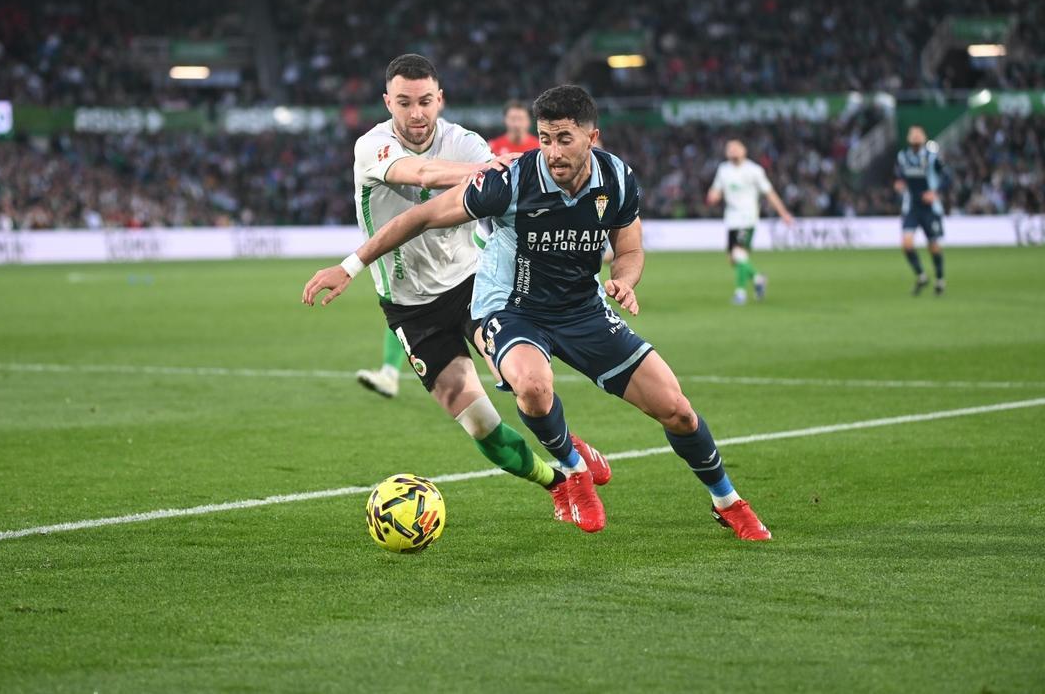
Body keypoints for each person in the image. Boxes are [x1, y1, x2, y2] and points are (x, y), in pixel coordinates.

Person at [305, 85, 772, 540]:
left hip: (582, 308)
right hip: (513, 308)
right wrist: (352, 265)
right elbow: (421, 216)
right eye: (545, 138)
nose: (552, 151)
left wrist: (625, 283)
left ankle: (727, 502)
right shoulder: (512, 180)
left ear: (593, 137)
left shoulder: (619, 180)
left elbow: (629, 248)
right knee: (530, 387)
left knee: (677, 410)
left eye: (564, 139)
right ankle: (572, 469)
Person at [332, 55, 610, 522]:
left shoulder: (465, 142)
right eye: (404, 103)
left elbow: (515, 189)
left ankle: (570, 455)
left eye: (424, 101)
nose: (416, 113)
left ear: (439, 99)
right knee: (481, 425)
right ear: (388, 103)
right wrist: (489, 171)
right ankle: (557, 481)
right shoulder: (372, 146)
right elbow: (418, 174)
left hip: (473, 285)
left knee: (520, 377)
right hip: (411, 310)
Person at [706, 139, 795, 305]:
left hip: (747, 217)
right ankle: (758, 278)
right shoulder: (723, 169)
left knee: (739, 254)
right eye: (729, 148)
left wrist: (783, 213)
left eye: (735, 147)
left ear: (744, 150)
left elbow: (769, 193)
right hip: (731, 219)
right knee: (733, 259)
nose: (732, 150)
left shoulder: (754, 170)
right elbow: (716, 190)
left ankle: (740, 293)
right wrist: (713, 196)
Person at [894, 126, 947, 296]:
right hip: (912, 206)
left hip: (930, 208)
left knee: (933, 246)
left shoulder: (932, 157)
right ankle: (921, 275)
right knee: (906, 244)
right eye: (914, 144)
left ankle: (939, 279)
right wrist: (900, 183)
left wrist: (935, 193)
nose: (916, 146)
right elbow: (901, 175)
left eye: (918, 144)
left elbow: (946, 177)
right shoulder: (903, 157)